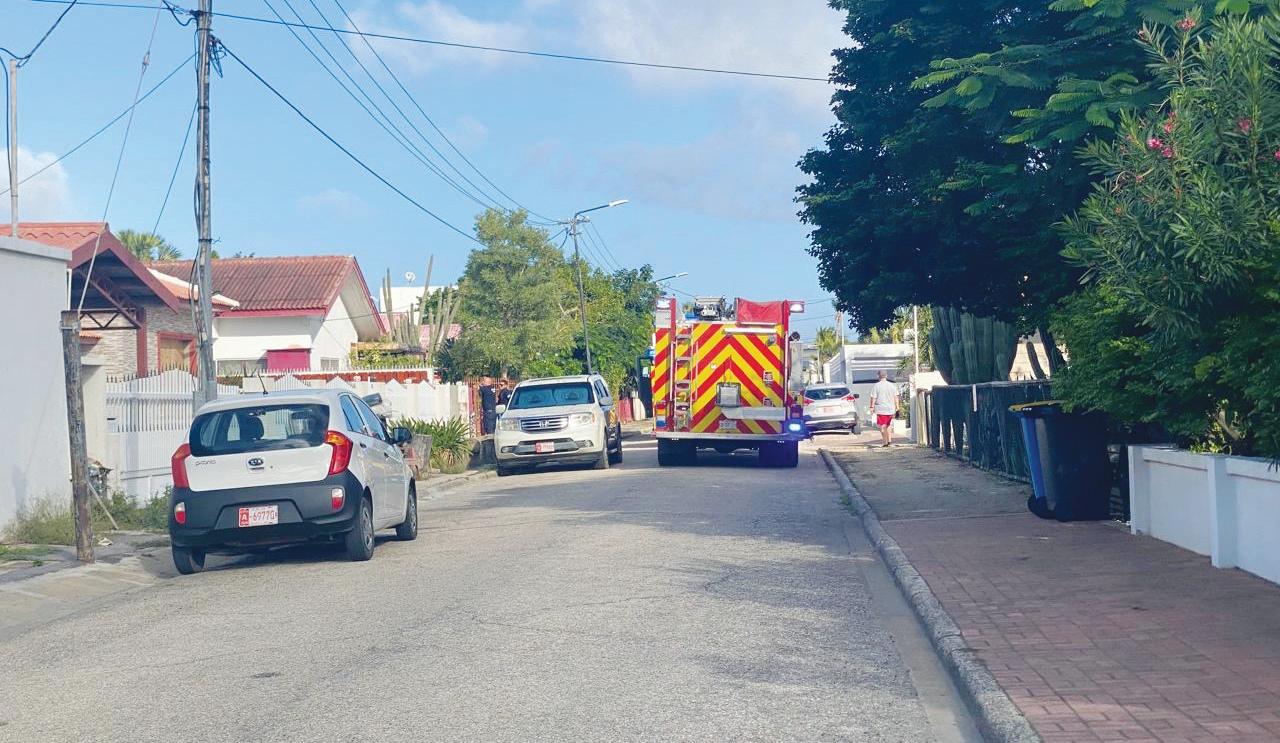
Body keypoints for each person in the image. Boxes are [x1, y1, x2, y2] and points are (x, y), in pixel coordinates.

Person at [869, 370, 899, 448]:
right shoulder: (892, 385)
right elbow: (896, 397)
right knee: (888, 425)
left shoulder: (876, 386)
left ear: (878, 376)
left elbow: (873, 397)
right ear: (886, 376)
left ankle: (885, 442)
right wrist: (897, 407)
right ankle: (889, 441)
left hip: (881, 409)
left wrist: (871, 407)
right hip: (891, 409)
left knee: (882, 426)